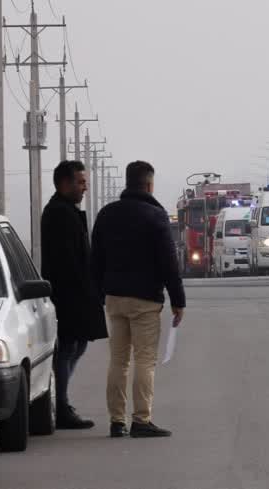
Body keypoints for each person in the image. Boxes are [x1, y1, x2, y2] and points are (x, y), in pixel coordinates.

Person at [91, 160, 185, 438]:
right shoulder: (155, 216)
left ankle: (117, 421)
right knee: (145, 360)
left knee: (118, 361)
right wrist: (178, 300)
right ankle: (141, 420)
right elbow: (169, 263)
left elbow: (95, 259)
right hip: (145, 300)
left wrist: (99, 293)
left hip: (115, 298)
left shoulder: (107, 214)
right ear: (148, 184)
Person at [40, 159, 108, 429]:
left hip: (78, 293)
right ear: (64, 183)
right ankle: (61, 405)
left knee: (77, 345)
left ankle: (61, 402)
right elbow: (69, 261)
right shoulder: (58, 213)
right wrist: (87, 288)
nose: (85, 188)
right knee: (68, 348)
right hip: (69, 295)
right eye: (80, 182)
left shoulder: (66, 211)